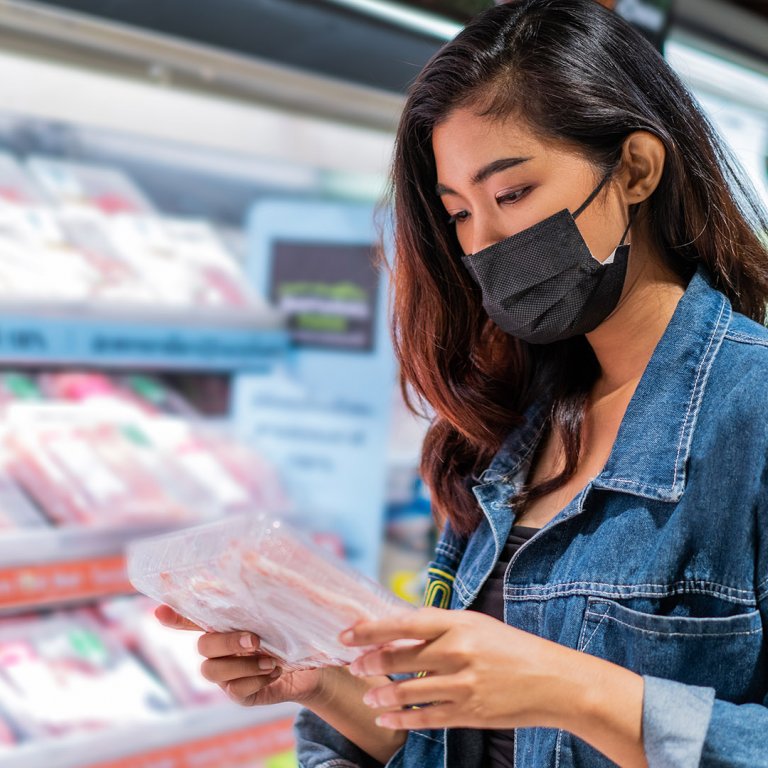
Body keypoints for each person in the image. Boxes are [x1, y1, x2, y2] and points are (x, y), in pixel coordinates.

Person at [156, 1, 768, 765]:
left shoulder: (752, 412)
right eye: (457, 213)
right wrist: (319, 682)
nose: (483, 243)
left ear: (636, 169)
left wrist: (568, 690)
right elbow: (458, 739)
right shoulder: (513, 425)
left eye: (512, 194)